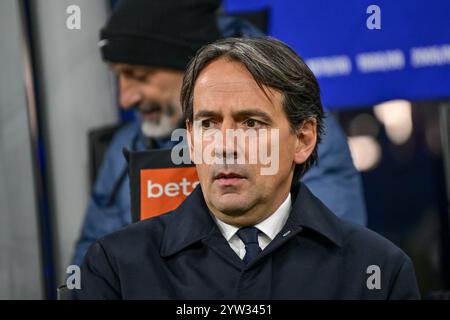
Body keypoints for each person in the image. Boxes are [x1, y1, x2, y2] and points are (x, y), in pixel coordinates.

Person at [74, 37, 419, 299]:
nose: (225, 146)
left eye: (251, 123)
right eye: (208, 123)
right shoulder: (115, 267)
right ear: (191, 140)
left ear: (303, 139)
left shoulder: (378, 271)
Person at [71, 0, 367, 267]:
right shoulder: (126, 148)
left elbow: (326, 262)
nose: (126, 98)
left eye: (140, 76)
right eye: (119, 76)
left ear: (191, 69)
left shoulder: (293, 129)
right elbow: (93, 271)